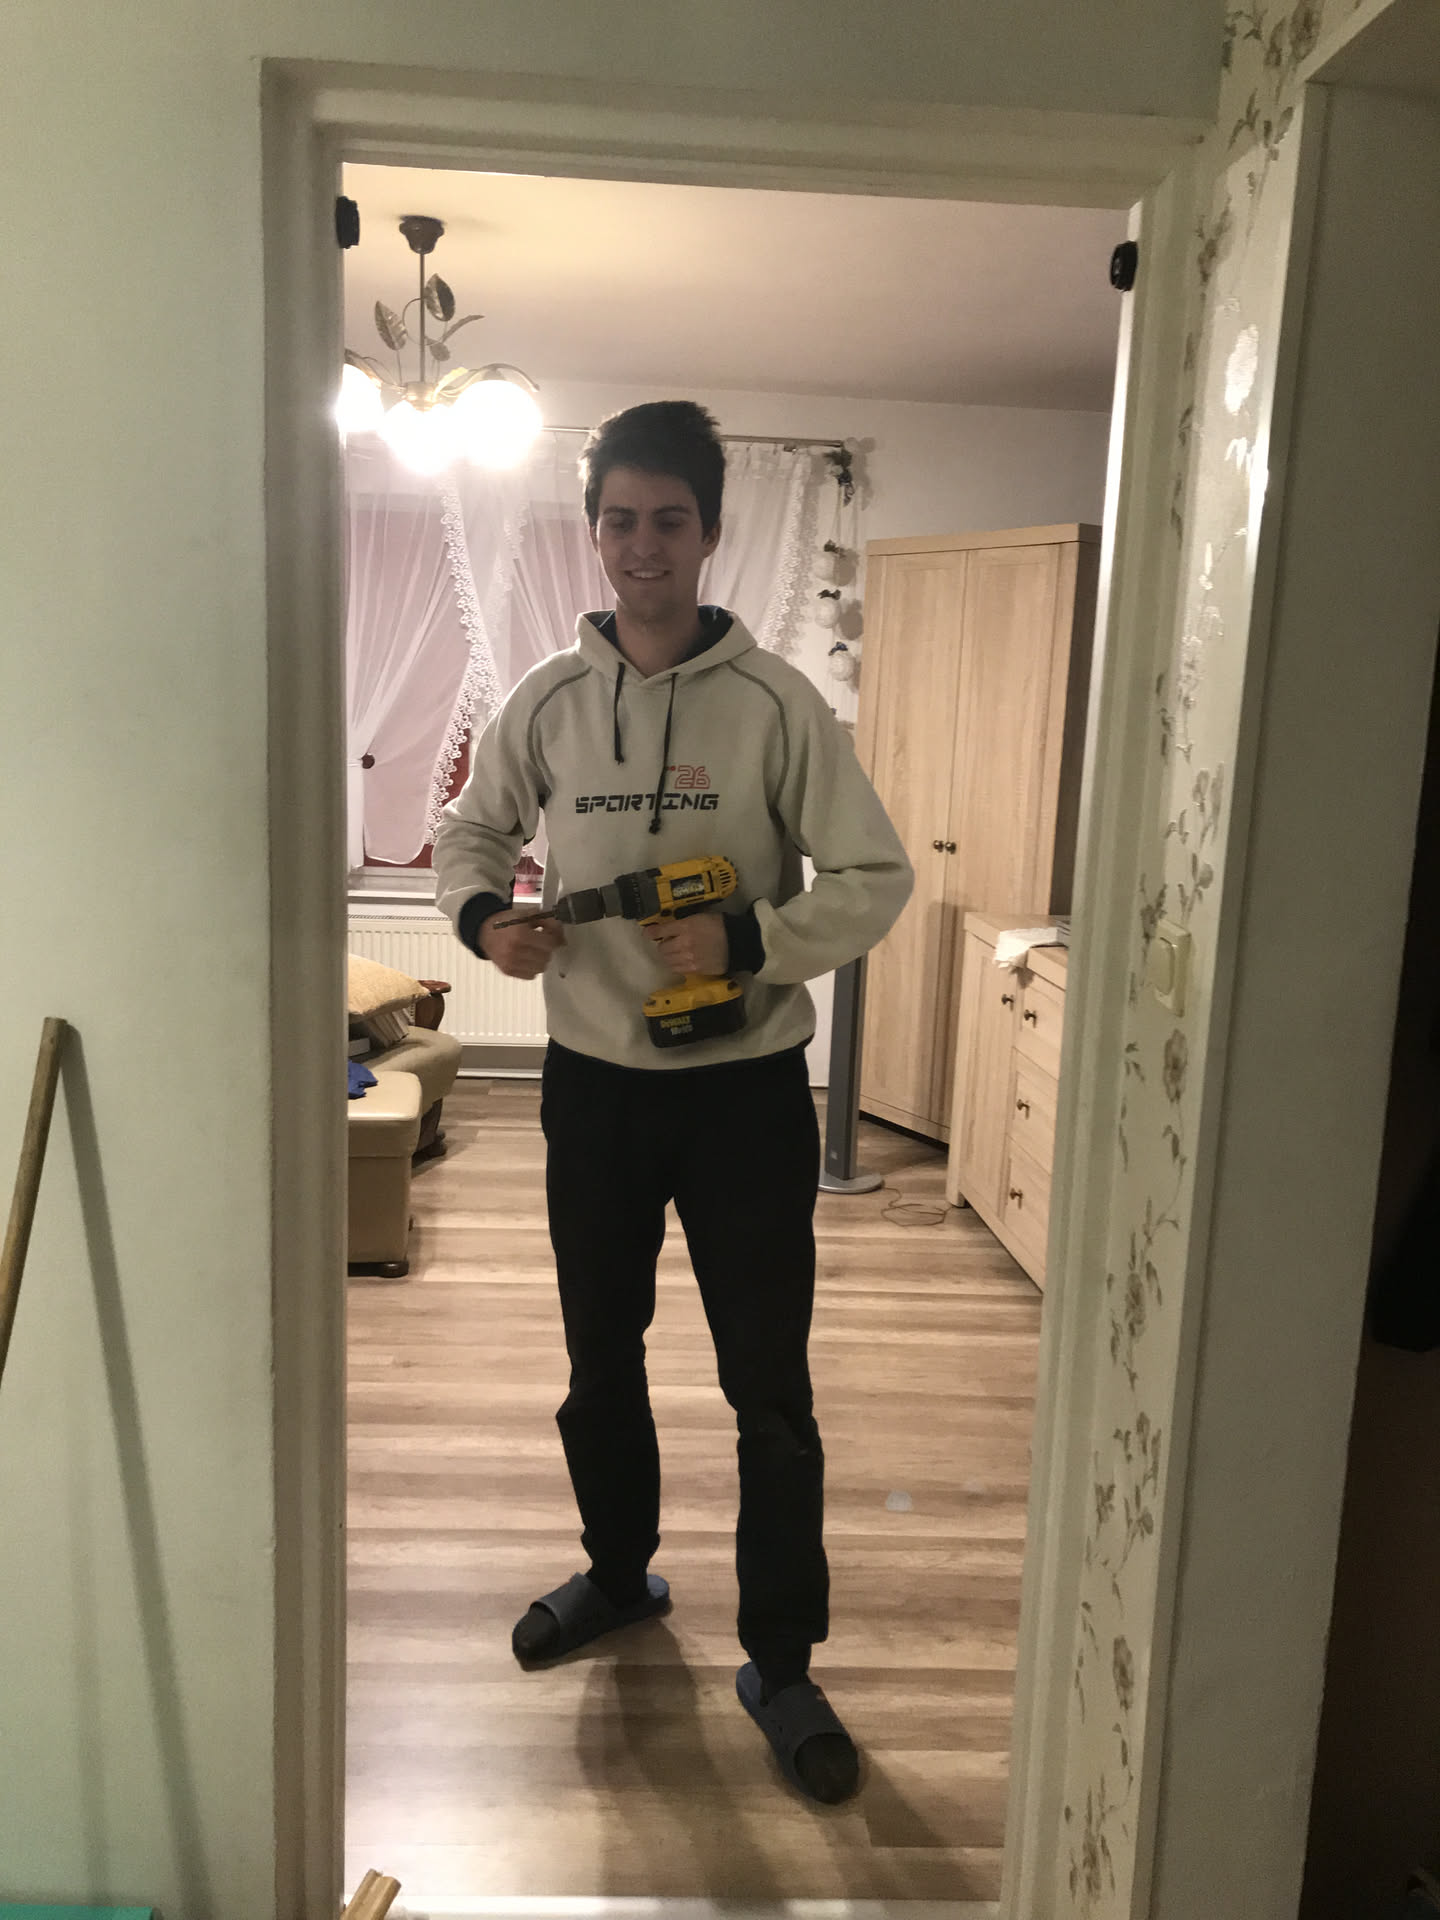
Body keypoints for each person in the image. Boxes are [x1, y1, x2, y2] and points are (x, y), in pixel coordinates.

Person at [433, 401, 912, 1804]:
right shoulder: (544, 701)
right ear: (594, 533)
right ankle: (617, 1573)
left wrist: (753, 938)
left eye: (670, 521)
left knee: (770, 1388)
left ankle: (784, 1660)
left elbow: (873, 876)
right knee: (602, 1360)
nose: (643, 546)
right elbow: (470, 828)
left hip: (745, 1096)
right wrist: (483, 918)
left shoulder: (777, 706)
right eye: (620, 520)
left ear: (710, 532)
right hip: (595, 1091)